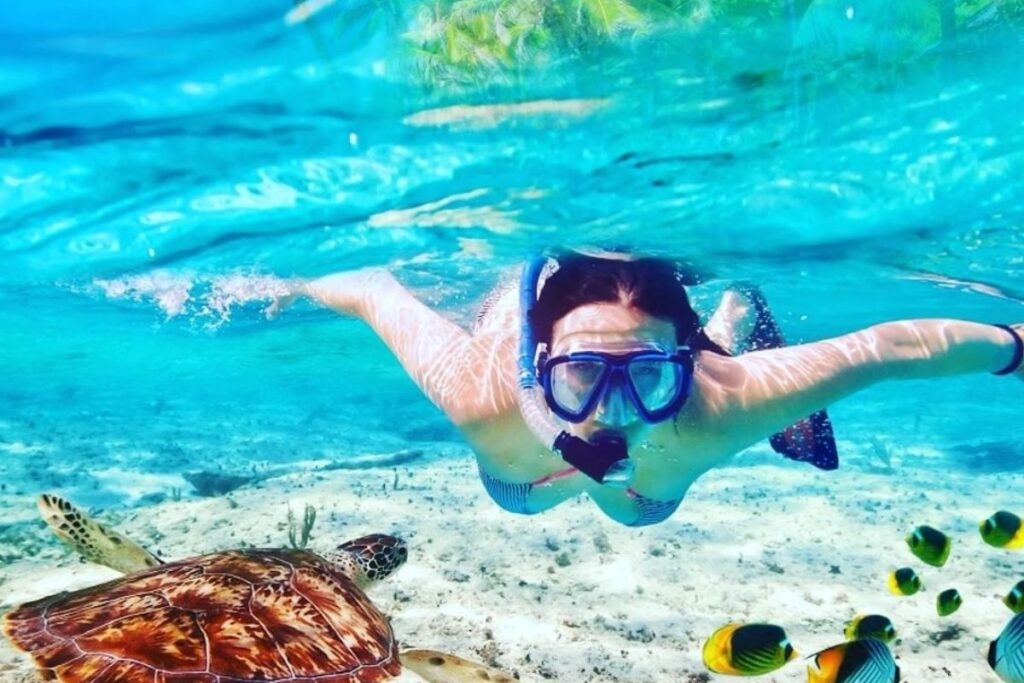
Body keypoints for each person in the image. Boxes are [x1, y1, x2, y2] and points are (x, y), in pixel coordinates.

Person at [267, 252, 1024, 527]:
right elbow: (372, 287)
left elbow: (888, 349)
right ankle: (523, 307)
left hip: (640, 487)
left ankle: (731, 312)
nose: (613, 413)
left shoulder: (719, 403)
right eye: (584, 372)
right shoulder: (482, 390)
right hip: (529, 471)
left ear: (684, 365)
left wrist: (1018, 348)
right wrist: (291, 283)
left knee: (642, 493)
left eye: (652, 376)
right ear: (539, 367)